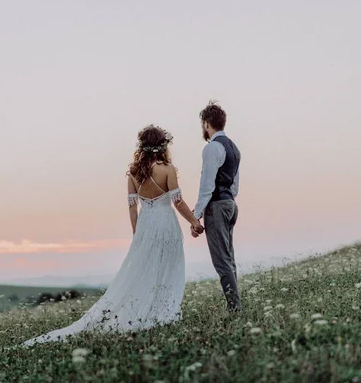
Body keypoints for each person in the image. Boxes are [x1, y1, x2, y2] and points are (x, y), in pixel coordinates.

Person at [23, 125, 202, 346]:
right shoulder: (168, 169)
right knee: (165, 267)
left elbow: (132, 208)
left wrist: (137, 233)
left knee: (144, 269)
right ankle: (162, 312)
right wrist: (194, 221)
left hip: (146, 225)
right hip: (165, 225)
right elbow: (178, 202)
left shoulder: (134, 173)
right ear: (163, 146)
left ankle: (146, 310)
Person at [191, 101, 241, 312]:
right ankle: (235, 304)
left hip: (218, 206)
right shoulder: (234, 147)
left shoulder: (212, 147)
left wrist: (196, 216)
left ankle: (235, 308)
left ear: (206, 124)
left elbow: (207, 185)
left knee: (221, 261)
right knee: (229, 258)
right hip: (231, 203)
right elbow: (235, 184)